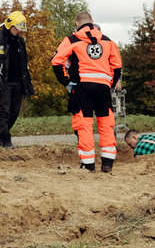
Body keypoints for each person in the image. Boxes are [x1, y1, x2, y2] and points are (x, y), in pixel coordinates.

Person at [51, 11, 123, 173]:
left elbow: (56, 62)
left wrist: (66, 82)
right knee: (106, 124)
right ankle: (107, 162)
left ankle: (88, 164)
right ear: (92, 22)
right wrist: (110, 84)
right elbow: (117, 66)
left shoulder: (72, 39)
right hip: (103, 89)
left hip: (82, 88)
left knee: (84, 125)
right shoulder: (107, 40)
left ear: (77, 24)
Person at [0, 10, 35, 148]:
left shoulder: (20, 41)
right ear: (11, 26)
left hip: (19, 82)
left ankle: (0, 137)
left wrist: (27, 81)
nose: (20, 32)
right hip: (2, 81)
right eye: (18, 29)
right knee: (4, 111)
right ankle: (6, 140)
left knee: (15, 112)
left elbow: (23, 63)